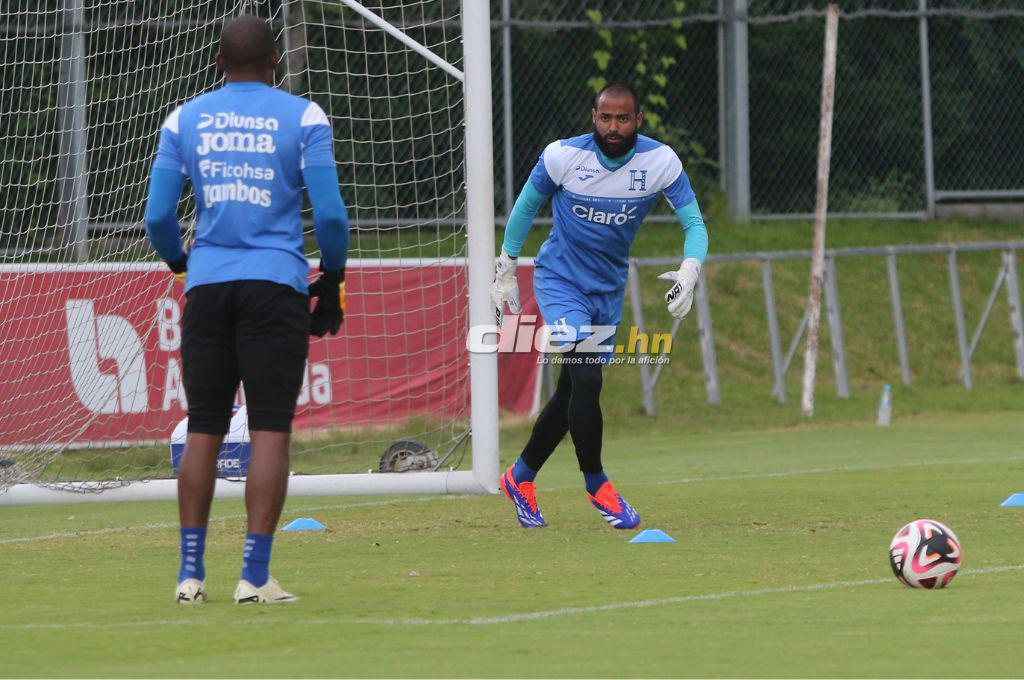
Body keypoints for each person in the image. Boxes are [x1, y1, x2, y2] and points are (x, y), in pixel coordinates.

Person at [145, 15, 349, 603]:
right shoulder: (304, 116)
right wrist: (332, 277)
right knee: (268, 431)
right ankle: (254, 578)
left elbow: (158, 217)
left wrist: (184, 266)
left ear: (217, 62)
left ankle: (189, 575)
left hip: (207, 287)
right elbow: (331, 217)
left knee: (204, 426)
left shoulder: (184, 118)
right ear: (275, 61)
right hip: (275, 286)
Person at [491, 82, 708, 529]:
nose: (613, 127)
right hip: (560, 281)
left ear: (638, 121)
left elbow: (694, 223)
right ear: (594, 117)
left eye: (623, 118)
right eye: (605, 118)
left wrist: (690, 271)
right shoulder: (563, 157)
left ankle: (520, 476)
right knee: (587, 377)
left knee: (573, 390)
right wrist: (506, 267)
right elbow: (525, 206)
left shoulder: (660, 162)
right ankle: (598, 486)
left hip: (606, 289)